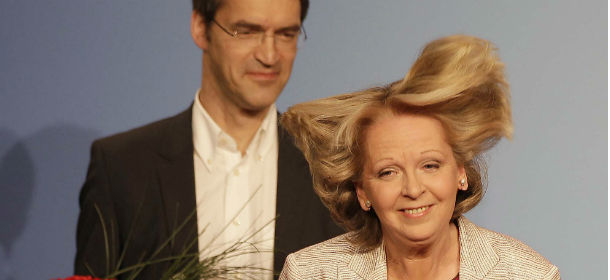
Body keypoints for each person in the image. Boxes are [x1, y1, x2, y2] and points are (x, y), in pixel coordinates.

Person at [74, 0, 342, 279]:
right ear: (201, 28)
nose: (270, 55)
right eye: (247, 31)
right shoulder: (121, 167)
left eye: (286, 34)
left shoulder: (333, 167)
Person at [279, 35, 560, 279]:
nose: (413, 189)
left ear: (460, 172)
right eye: (388, 172)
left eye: (430, 165)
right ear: (362, 191)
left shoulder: (527, 274)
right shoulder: (312, 273)